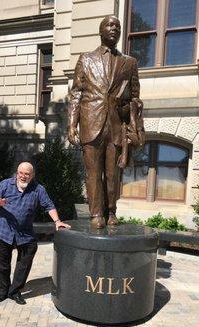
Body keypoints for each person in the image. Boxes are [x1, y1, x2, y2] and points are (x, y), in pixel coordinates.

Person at [67, 15, 143, 228]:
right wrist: (72, 123)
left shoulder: (129, 63)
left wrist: (130, 109)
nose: (114, 29)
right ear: (101, 31)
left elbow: (136, 97)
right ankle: (95, 214)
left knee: (112, 175)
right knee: (93, 174)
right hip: (91, 124)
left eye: (118, 26)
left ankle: (111, 210)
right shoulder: (86, 59)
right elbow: (76, 94)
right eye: (110, 25)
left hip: (117, 125)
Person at [0, 162, 70, 305]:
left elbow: (49, 205)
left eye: (27, 174)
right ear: (17, 172)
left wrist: (57, 221)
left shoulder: (38, 190)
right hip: (3, 232)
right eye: (21, 173)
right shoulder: (5, 184)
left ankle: (14, 291)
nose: (23, 176)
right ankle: (3, 292)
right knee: (3, 265)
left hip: (25, 234)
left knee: (26, 259)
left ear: (32, 175)